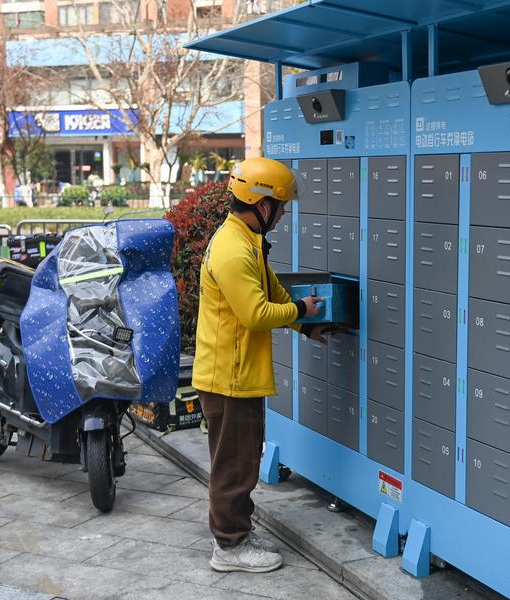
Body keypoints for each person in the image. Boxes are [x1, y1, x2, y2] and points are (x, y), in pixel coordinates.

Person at [193, 157, 325, 574]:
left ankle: (235, 534)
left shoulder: (246, 239)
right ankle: (229, 547)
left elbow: (273, 292)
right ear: (262, 204)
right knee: (234, 467)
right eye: (281, 206)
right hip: (229, 379)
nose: (283, 215)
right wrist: (301, 310)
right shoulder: (234, 250)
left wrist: (306, 326)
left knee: (242, 461)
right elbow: (256, 314)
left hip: (236, 375)